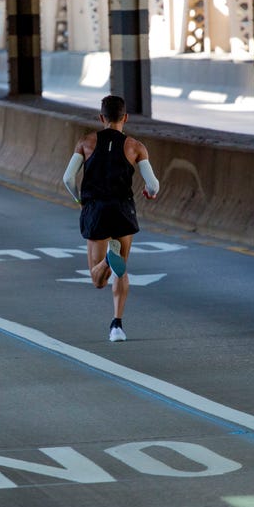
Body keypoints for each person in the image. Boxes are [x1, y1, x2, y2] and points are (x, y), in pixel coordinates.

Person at [63, 95, 160, 342]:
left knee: (98, 280)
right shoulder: (135, 146)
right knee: (122, 271)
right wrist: (150, 193)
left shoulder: (85, 142)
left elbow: (67, 179)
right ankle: (117, 325)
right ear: (125, 118)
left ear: (101, 118)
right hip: (122, 210)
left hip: (96, 209)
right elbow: (153, 184)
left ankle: (107, 260)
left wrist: (78, 200)